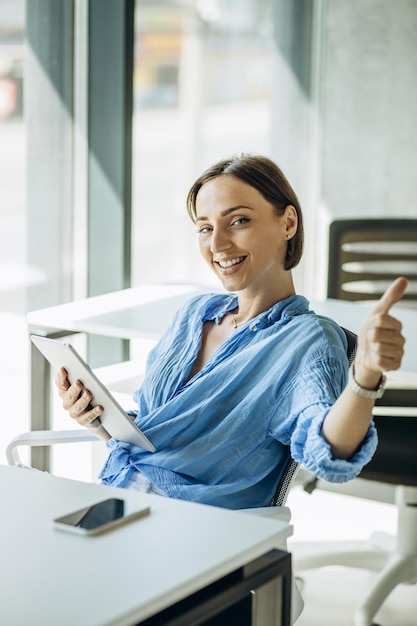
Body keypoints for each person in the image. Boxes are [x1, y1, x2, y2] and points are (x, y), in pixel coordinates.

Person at [56, 154, 407, 509]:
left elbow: (330, 453)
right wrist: (98, 421)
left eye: (238, 221)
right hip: (119, 498)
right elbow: (157, 435)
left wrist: (364, 378)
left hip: (196, 527)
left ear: (288, 223)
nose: (218, 244)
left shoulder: (306, 340)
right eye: (205, 228)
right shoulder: (193, 315)